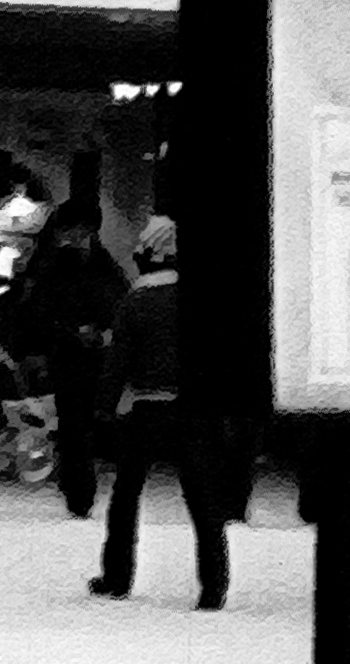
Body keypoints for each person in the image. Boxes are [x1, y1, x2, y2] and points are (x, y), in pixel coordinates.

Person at [92, 218, 242, 607]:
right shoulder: (201, 300)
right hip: (194, 410)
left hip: (147, 407)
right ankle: (213, 586)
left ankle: (117, 577)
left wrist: (103, 409)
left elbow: (117, 361)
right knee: (203, 501)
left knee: (126, 495)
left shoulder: (136, 300)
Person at [22, 214, 129, 526]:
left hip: (68, 357)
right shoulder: (106, 271)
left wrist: (62, 335)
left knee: (73, 426)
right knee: (90, 424)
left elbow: (38, 315)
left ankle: (78, 492)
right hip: (95, 359)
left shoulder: (51, 272)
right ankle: (84, 489)